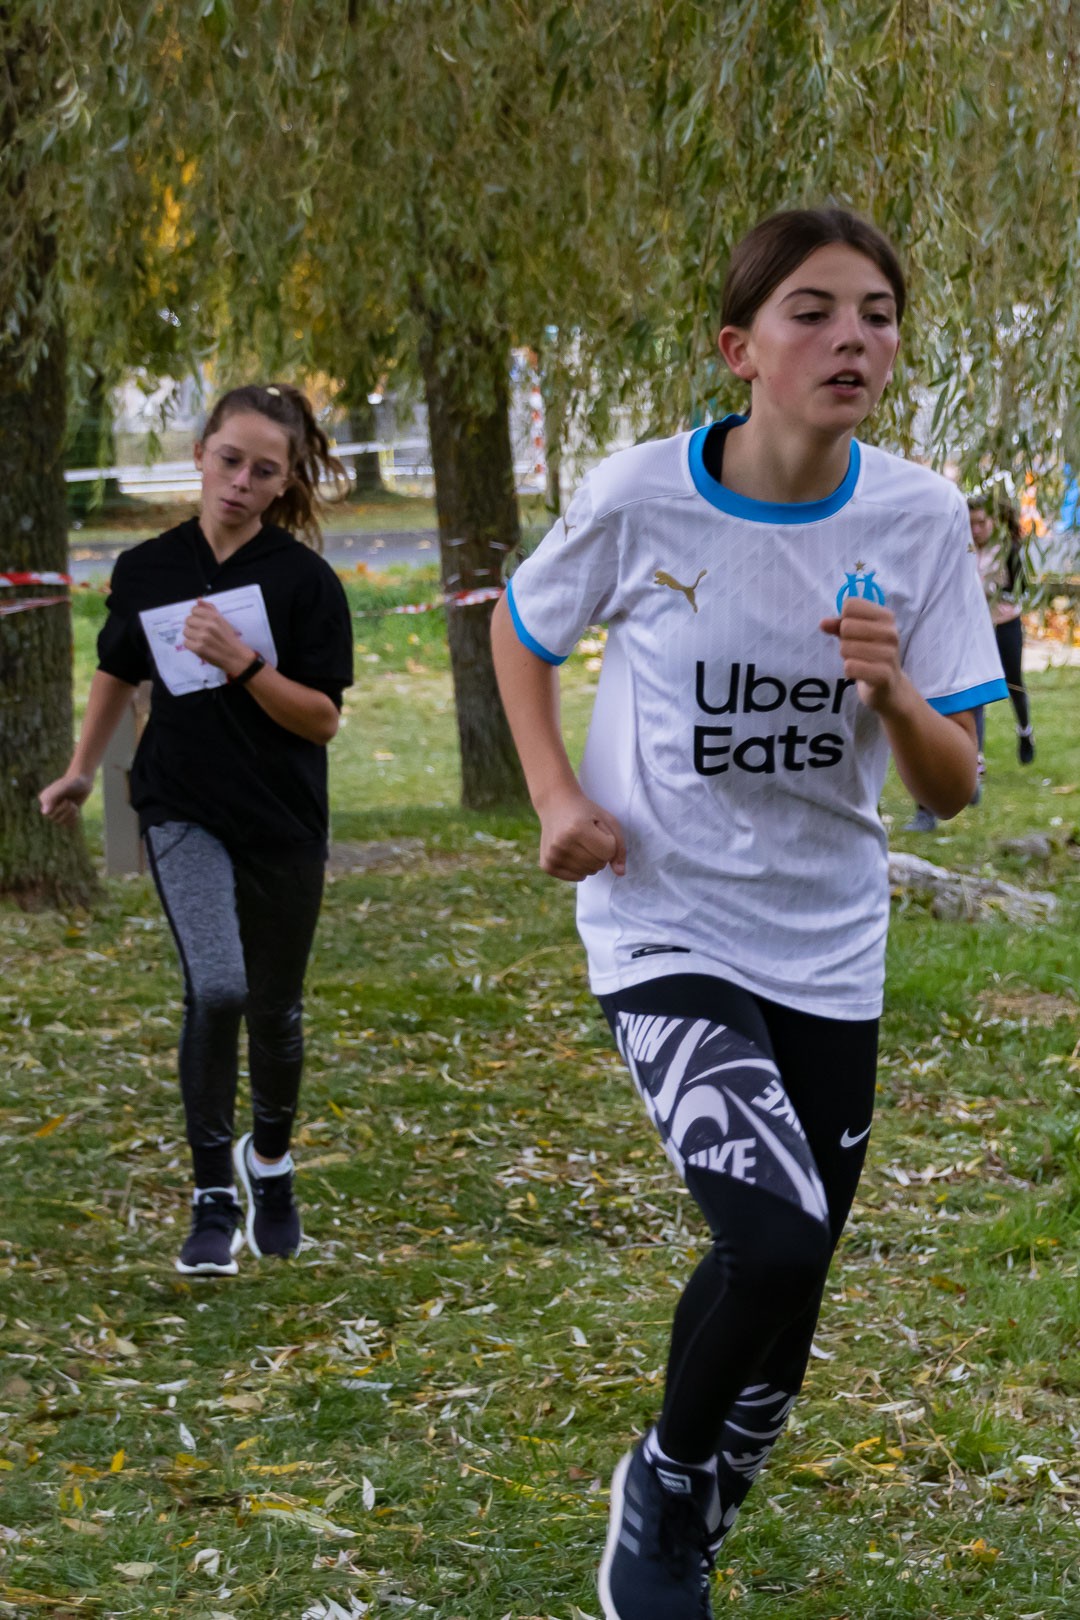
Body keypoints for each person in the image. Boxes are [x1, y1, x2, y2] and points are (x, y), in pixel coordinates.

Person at [491, 208, 1009, 1619]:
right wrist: (553, 795)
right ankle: (662, 1490)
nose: (854, 338)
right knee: (772, 1241)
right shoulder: (643, 495)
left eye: (878, 315)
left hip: (829, 946)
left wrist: (894, 691)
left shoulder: (917, 517)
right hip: (662, 921)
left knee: (795, 1285)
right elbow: (522, 632)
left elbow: (953, 787)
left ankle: (703, 1506)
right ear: (740, 349)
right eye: (814, 311)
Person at [40, 383, 354, 1277]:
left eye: (264, 470)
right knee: (217, 988)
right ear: (200, 455)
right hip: (179, 806)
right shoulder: (148, 568)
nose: (241, 482)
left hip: (282, 818)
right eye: (230, 460)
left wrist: (242, 661)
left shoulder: (306, 582)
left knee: (275, 1008)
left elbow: (322, 720)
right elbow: (116, 669)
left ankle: (270, 1163)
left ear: (285, 482)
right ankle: (212, 1192)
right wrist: (81, 769)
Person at [904, 493, 1034, 831]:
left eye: (981, 523)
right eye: (971, 523)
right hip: (962, 628)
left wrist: (991, 594)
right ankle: (964, 776)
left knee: (1012, 682)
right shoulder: (955, 545)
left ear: (993, 522)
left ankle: (1024, 732)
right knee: (965, 694)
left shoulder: (1007, 549)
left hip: (1002, 623)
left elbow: (1020, 587)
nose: (976, 530)